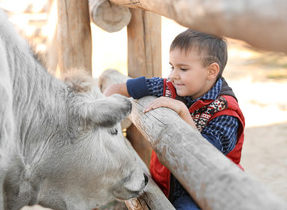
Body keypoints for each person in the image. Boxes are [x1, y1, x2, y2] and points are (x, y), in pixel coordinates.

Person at [103, 29, 245, 210]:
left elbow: (204, 156)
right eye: (172, 66)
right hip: (167, 186)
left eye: (183, 69)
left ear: (211, 71)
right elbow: (120, 88)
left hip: (209, 193)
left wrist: (183, 112)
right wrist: (103, 108)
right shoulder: (171, 86)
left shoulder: (225, 113)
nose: (173, 75)